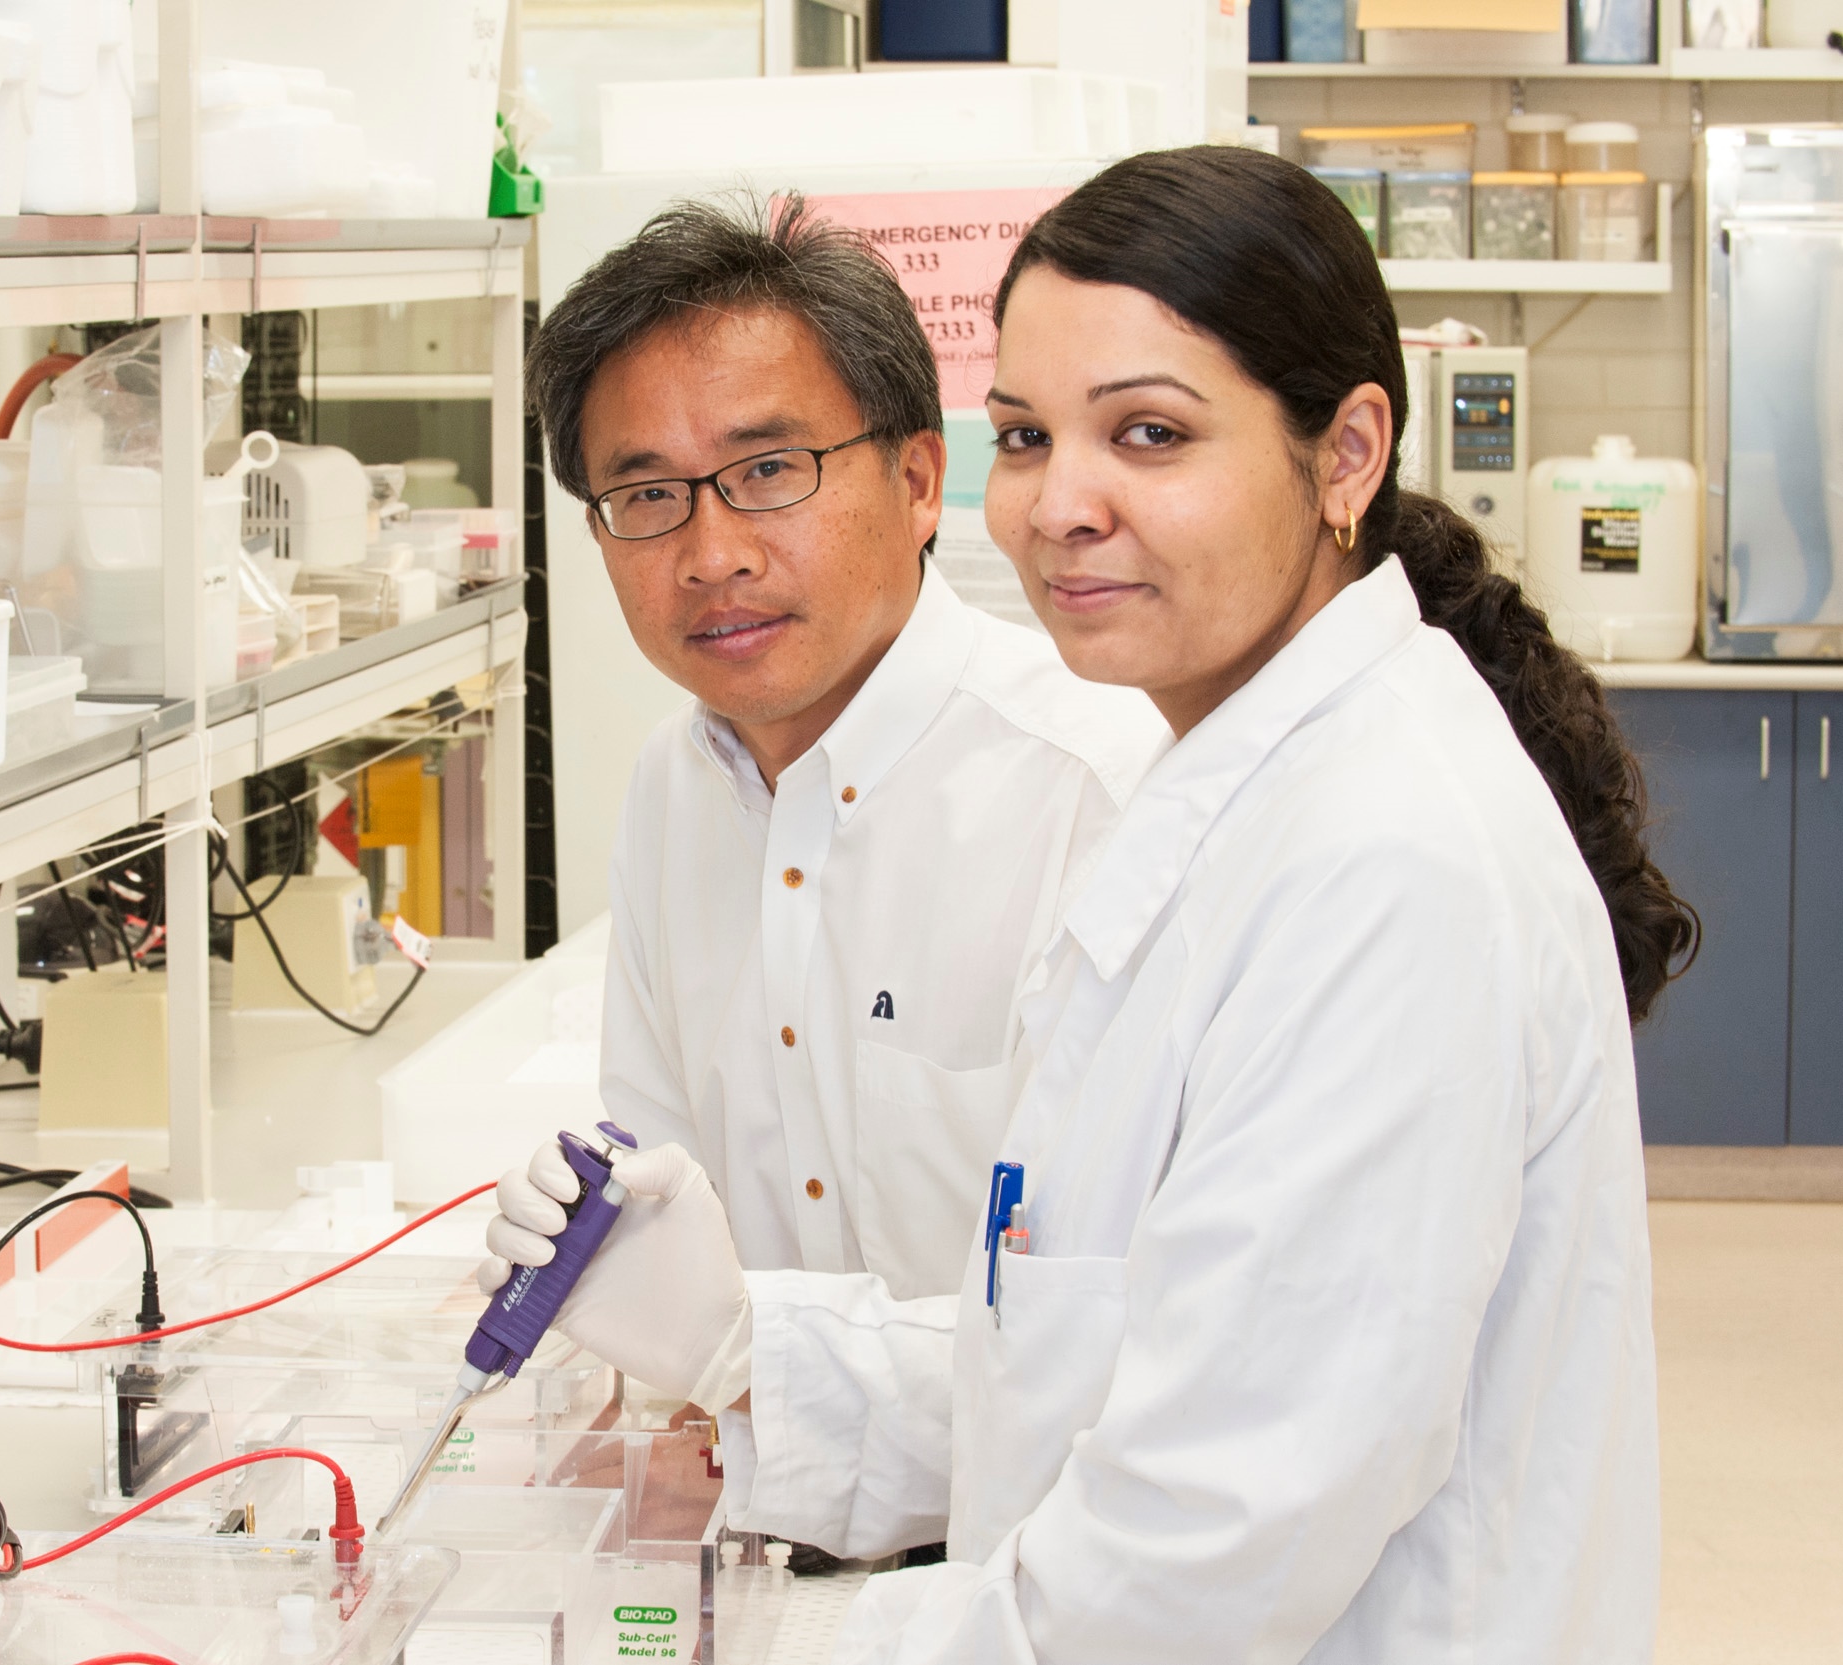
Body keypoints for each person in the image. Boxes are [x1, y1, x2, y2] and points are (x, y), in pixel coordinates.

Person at [485, 147, 1692, 1660]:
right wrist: (744, 1344)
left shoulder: (1383, 865)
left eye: (1151, 434)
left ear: (1347, 454)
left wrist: (752, 1648)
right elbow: (1079, 1374)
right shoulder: (1246, 805)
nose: (1063, 505)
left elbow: (1196, 1560)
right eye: (1034, 438)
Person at [519, 195, 1165, 1309]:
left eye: (768, 471)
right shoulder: (671, 791)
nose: (710, 554)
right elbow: (665, 1188)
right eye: (646, 494)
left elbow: (1118, 1324)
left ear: (918, 483)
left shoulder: (1100, 792)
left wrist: (749, 1361)